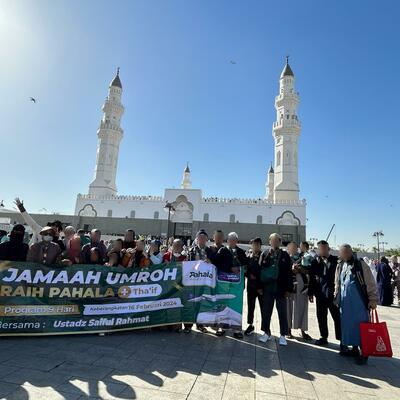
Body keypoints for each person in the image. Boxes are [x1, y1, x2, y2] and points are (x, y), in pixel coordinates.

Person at [334, 244, 378, 364]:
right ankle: (353, 349)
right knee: (348, 327)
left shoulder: (360, 265)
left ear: (350, 252)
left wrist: (373, 299)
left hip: (359, 304)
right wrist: (336, 296)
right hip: (345, 305)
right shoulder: (341, 265)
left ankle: (365, 353)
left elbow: (370, 282)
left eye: (346, 252)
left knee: (361, 328)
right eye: (342, 253)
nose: (344, 255)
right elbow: (337, 282)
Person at [258, 233, 293, 346]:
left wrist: (288, 289)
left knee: (282, 312)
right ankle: (266, 332)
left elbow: (289, 273)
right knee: (266, 311)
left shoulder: (285, 255)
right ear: (269, 241)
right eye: (272, 240)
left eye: (277, 240)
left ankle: (283, 334)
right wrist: (259, 287)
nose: (274, 242)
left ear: (280, 242)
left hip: (281, 289)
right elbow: (260, 270)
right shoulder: (265, 253)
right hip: (268, 288)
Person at [215, 232, 248, 339]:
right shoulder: (222, 250)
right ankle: (222, 327)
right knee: (222, 303)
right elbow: (217, 263)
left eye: (234, 239)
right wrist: (230, 268)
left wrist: (239, 269)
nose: (231, 241)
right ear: (227, 240)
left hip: (237, 285)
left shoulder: (241, 252)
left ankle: (236, 329)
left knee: (236, 305)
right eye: (230, 239)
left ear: (237, 241)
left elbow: (246, 265)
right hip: (223, 283)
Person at [309, 240, 342, 347]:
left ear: (328, 249)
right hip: (320, 295)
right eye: (320, 249)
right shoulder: (315, 261)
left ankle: (342, 340)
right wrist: (310, 293)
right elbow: (312, 278)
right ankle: (323, 337)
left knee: (337, 318)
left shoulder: (336, 261)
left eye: (324, 248)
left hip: (333, 295)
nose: (322, 250)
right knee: (321, 317)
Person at [187, 230, 214, 334]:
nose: (201, 240)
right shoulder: (191, 250)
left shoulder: (210, 251)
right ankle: (188, 325)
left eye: (203, 238)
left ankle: (200, 324)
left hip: (204, 281)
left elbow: (215, 263)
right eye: (199, 238)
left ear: (206, 239)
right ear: (197, 239)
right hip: (193, 280)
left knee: (201, 302)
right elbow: (187, 263)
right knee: (191, 301)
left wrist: (210, 261)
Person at [286, 242, 312, 341]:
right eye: (291, 247)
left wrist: (299, 269)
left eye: (295, 247)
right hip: (289, 286)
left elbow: (309, 270)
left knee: (302, 308)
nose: (293, 249)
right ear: (288, 249)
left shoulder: (304, 257)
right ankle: (288, 330)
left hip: (301, 287)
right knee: (288, 308)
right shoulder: (286, 258)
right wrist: (291, 270)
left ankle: (303, 330)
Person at [244, 237, 263, 336]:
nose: (255, 246)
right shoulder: (249, 256)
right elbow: (245, 270)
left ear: (260, 246)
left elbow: (264, 272)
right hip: (251, 287)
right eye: (254, 244)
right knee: (251, 307)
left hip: (261, 288)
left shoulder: (264, 256)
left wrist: (260, 286)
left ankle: (265, 327)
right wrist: (248, 274)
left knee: (263, 308)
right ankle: (250, 325)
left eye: (257, 245)